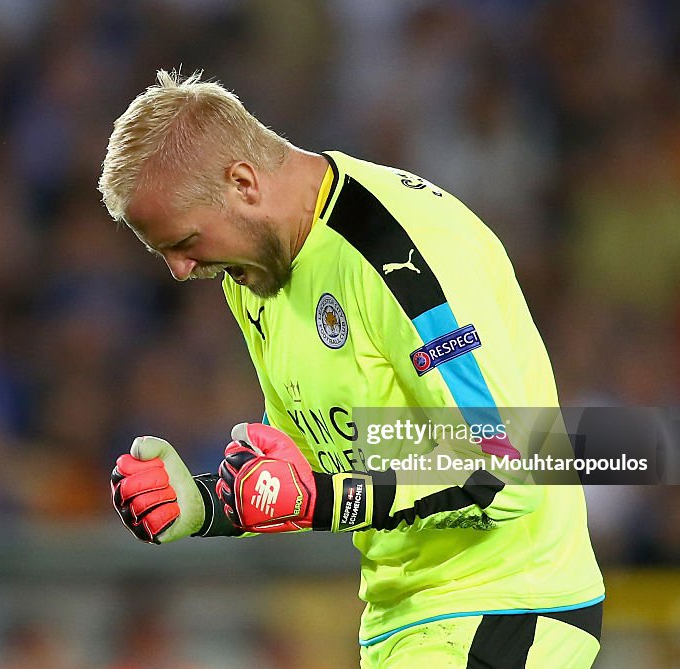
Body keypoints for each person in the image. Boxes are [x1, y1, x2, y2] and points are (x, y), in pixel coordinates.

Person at [100, 70, 604, 668]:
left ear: (242, 183)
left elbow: (507, 466)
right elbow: (313, 461)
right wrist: (213, 503)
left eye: (185, 242)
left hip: (507, 607)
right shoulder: (253, 273)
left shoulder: (399, 253)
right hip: (405, 619)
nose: (181, 271)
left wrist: (313, 498)